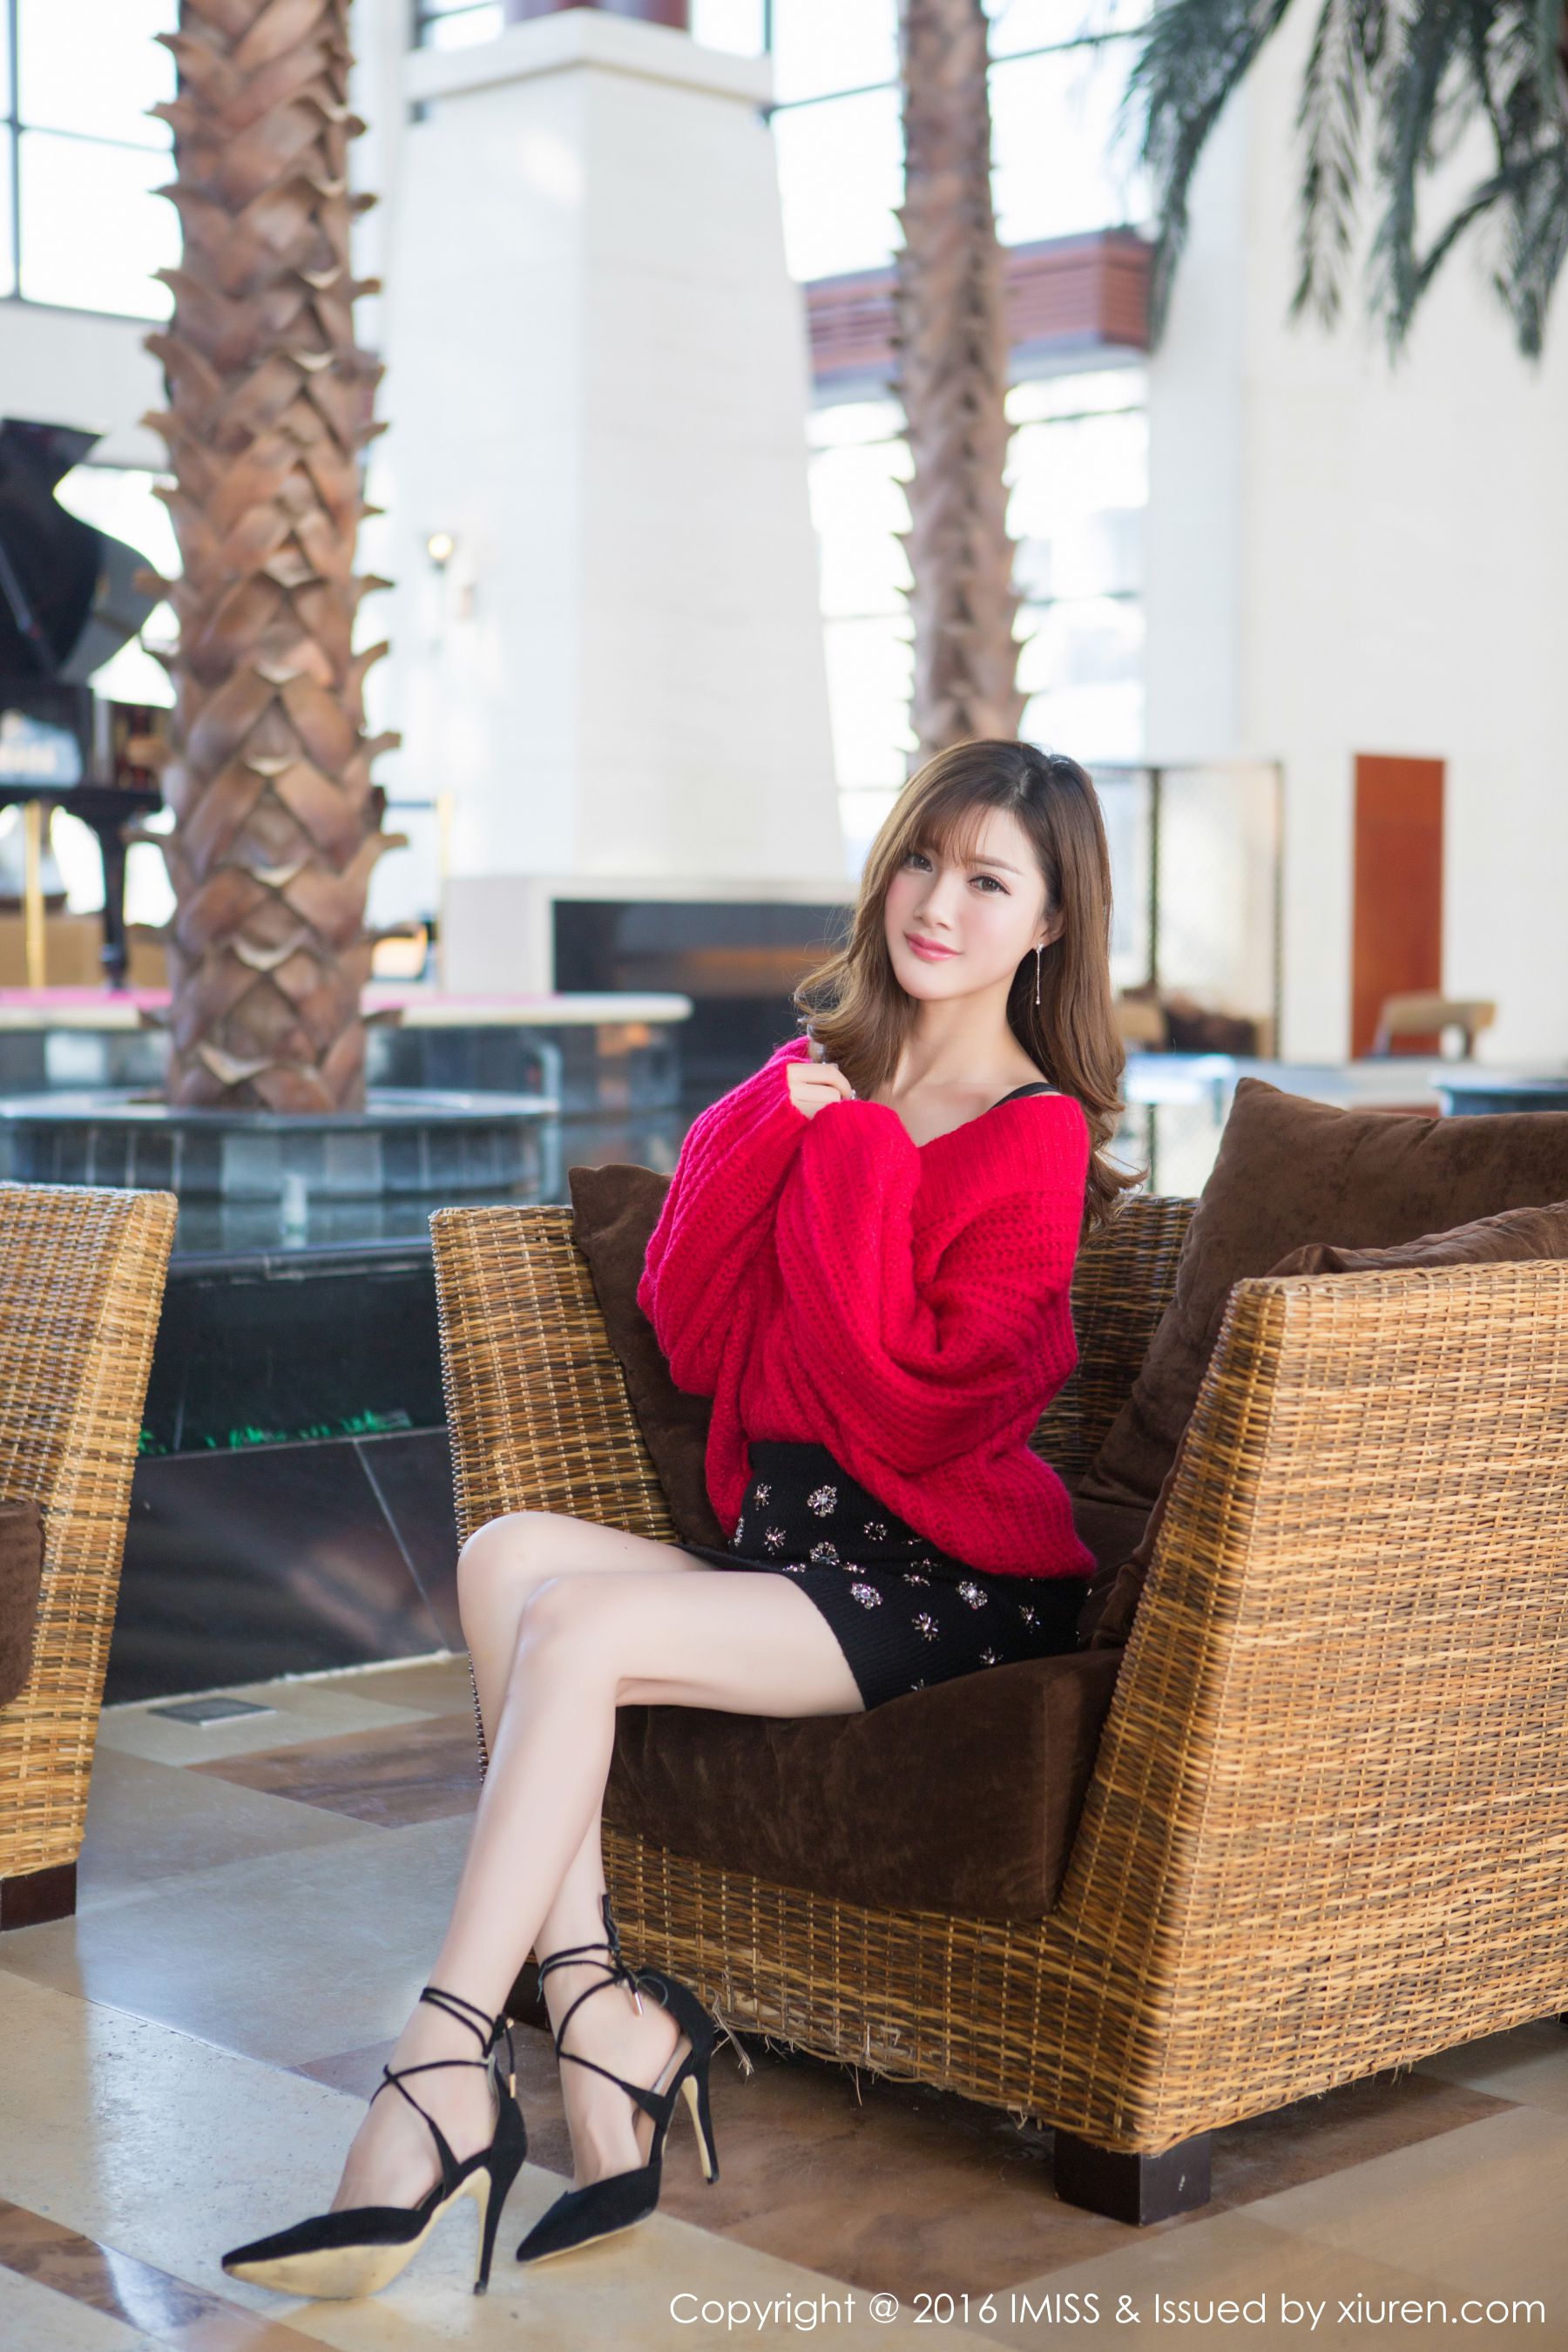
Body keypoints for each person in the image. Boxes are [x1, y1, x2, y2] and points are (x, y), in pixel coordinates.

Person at [220, 738, 1141, 2303]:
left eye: (990, 882)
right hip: (796, 1552)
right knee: (508, 1558)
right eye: (924, 861)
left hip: (944, 1579)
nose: (938, 904)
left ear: (1049, 924)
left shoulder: (1032, 1133)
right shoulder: (821, 1082)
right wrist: (774, 1123)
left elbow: (915, 1408)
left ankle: (441, 2065)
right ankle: (606, 2022)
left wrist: (852, 1153)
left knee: (579, 1626)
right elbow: (695, 1329)